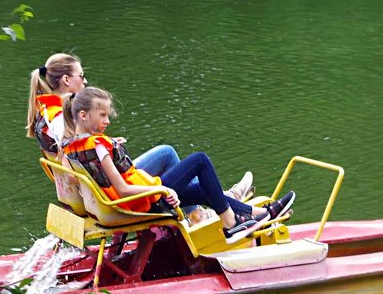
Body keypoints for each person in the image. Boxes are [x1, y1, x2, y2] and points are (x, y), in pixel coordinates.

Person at [61, 87, 294, 244]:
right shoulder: (99, 147)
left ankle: (258, 213)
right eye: (102, 115)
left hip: (117, 206)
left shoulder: (71, 147)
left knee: (204, 190)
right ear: (83, 115)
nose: (107, 121)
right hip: (138, 203)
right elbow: (122, 189)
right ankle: (231, 223)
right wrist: (163, 190)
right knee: (200, 160)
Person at [25, 53, 252, 197]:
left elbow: (76, 148)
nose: (84, 81)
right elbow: (73, 150)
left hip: (88, 188)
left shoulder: (45, 111)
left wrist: (107, 143)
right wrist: (104, 147)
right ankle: (206, 208)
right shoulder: (58, 117)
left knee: (167, 161)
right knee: (167, 153)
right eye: (81, 76)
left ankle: (212, 200)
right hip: (102, 190)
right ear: (66, 80)